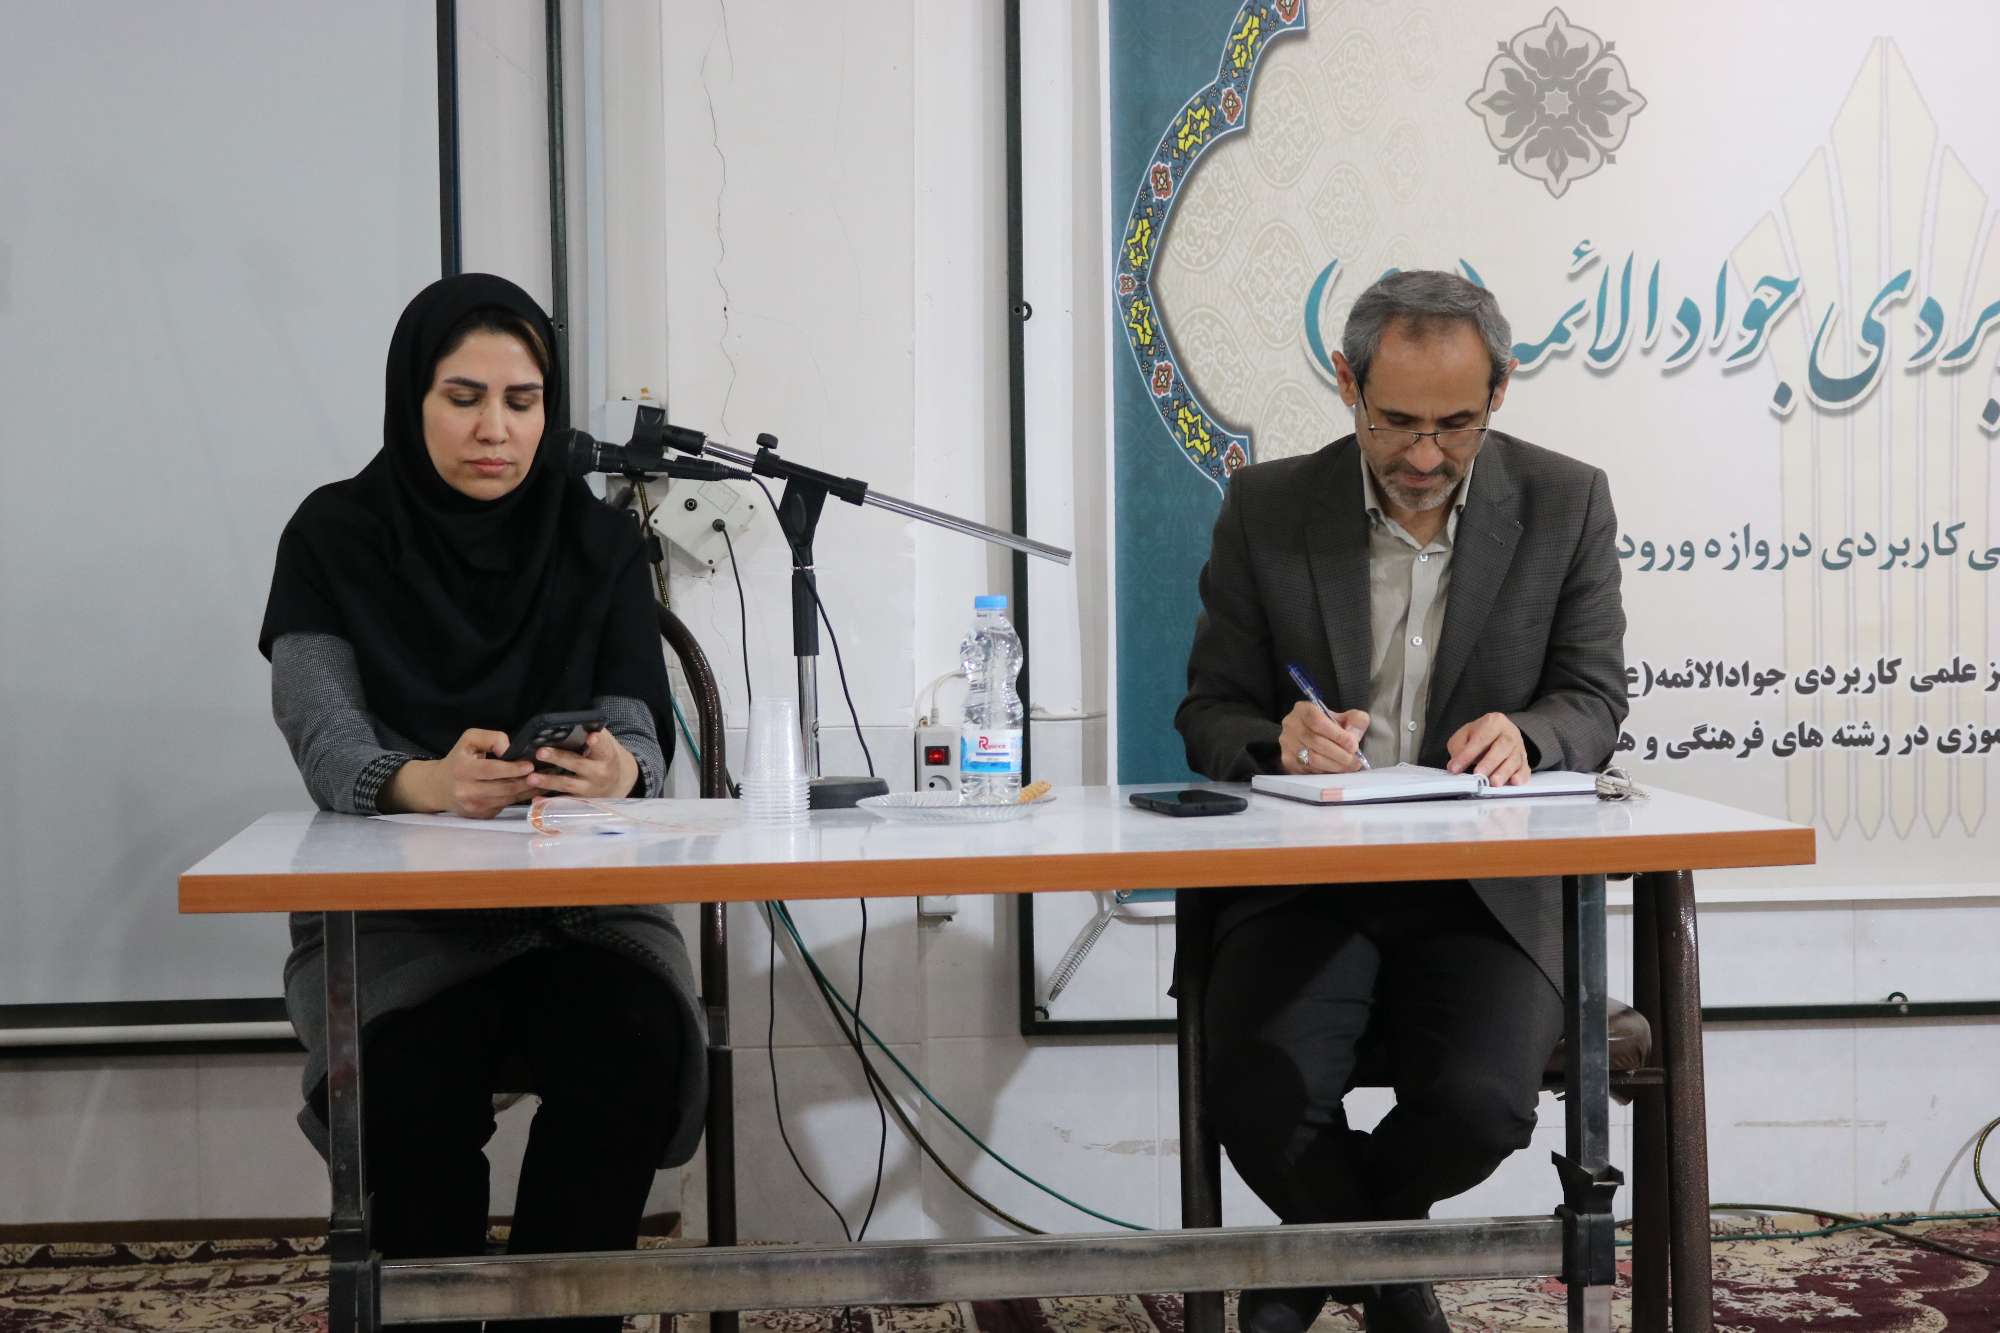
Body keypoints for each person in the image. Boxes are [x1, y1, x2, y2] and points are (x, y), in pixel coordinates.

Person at [1174, 270, 1627, 1333]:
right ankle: (1392, 1280)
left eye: (1455, 425)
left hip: (1485, 889)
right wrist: (1276, 740)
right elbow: (1209, 709)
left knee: (1481, 1107)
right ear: (1346, 383)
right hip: (1305, 884)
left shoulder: (1564, 501)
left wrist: (1529, 735)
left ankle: (1310, 1263)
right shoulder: (1267, 507)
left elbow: (1593, 698)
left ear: (1499, 393)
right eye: (1396, 423)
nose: (1424, 456)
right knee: (1258, 1090)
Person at [259, 273, 705, 1332]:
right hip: (400, 922)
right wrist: (423, 783)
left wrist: (616, 771)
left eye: (522, 400)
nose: (494, 429)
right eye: (462, 398)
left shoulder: (598, 541)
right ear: (411, 398)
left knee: (635, 1047)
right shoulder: (332, 534)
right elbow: (323, 734)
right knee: (407, 1091)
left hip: (581, 912)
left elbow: (639, 729)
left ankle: (561, 1314)